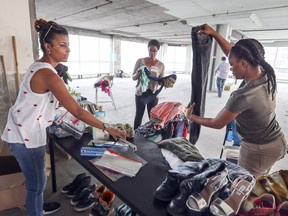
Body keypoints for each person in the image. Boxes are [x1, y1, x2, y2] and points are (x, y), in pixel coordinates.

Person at [1, 19, 126, 216]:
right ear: (47, 46)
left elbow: (46, 100)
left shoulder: (40, 65)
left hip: (20, 129)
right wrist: (107, 127)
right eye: (62, 45)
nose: (68, 50)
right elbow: (77, 111)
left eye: (68, 45)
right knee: (36, 185)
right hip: (26, 137)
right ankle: (36, 211)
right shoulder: (48, 75)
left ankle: (38, 207)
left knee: (37, 182)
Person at [185, 23, 287, 177]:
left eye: (232, 66)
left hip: (258, 149)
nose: (230, 70)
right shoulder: (264, 72)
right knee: (262, 179)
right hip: (276, 141)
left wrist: (190, 116)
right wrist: (214, 33)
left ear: (244, 64)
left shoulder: (243, 95)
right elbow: (235, 54)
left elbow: (217, 123)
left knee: (246, 188)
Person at [132, 39, 165, 130]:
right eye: (151, 50)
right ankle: (135, 135)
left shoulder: (161, 65)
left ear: (157, 51)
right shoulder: (140, 61)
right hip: (140, 93)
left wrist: (165, 82)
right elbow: (133, 77)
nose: (152, 53)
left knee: (153, 118)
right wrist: (137, 74)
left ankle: (150, 137)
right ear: (148, 49)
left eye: (155, 50)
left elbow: (161, 81)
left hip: (153, 95)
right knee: (139, 115)